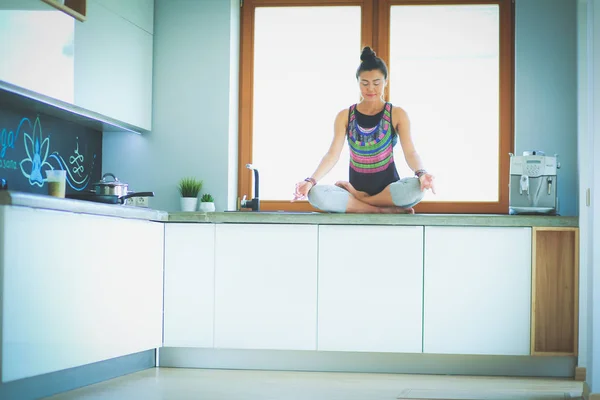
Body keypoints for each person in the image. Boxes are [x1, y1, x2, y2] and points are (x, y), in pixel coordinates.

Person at [292, 46, 436, 214]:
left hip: (389, 191)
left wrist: (422, 174)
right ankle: (382, 210)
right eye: (364, 83)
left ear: (386, 82)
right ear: (358, 83)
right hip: (358, 187)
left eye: (376, 83)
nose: (370, 89)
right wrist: (310, 181)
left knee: (416, 189)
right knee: (315, 194)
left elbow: (411, 152)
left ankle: (361, 200)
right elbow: (332, 155)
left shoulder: (397, 114)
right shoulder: (345, 116)